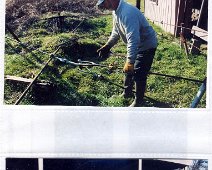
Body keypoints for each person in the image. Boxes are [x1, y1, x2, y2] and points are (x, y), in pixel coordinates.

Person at [96, 0, 157, 107]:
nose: (104, 6)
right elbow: (116, 32)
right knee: (128, 70)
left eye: (104, 3)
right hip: (136, 45)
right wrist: (107, 46)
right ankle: (126, 93)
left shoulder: (128, 13)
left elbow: (133, 39)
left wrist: (130, 61)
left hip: (146, 45)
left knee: (139, 74)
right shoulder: (115, 11)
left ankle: (138, 101)